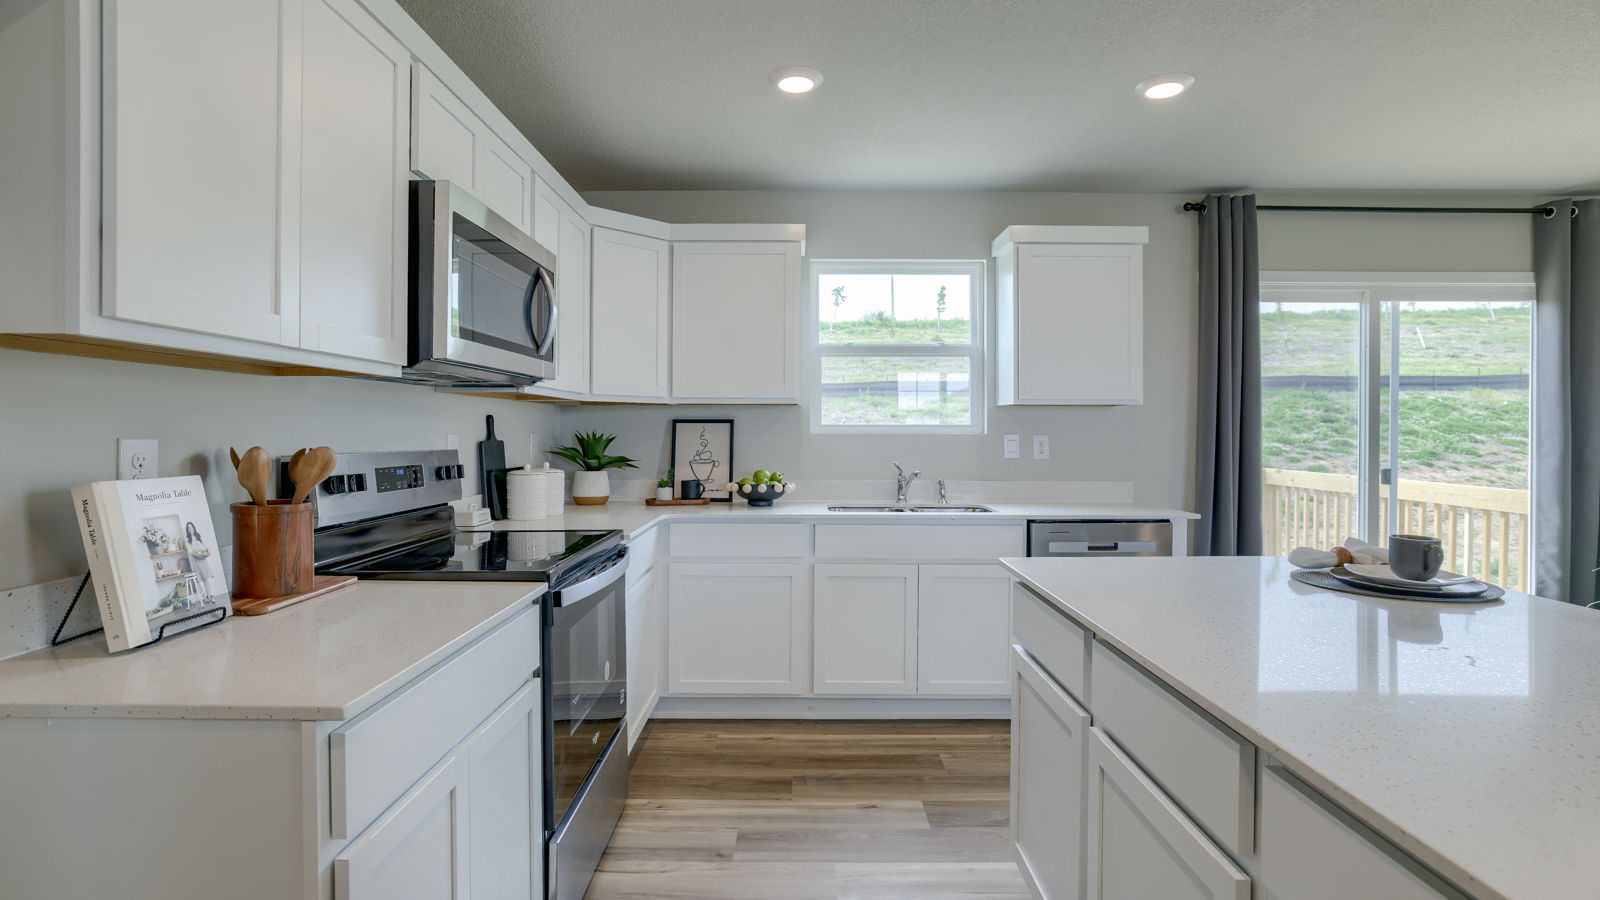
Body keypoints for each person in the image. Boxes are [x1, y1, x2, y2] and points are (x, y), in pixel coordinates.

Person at [184, 522, 224, 604]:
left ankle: (211, 596)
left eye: (191, 527)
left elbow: (205, 546)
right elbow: (191, 552)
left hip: (203, 560)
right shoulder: (187, 541)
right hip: (196, 561)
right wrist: (198, 555)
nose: (190, 529)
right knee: (201, 579)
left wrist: (208, 551)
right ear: (187, 530)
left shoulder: (199, 537)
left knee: (207, 578)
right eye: (188, 528)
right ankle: (206, 597)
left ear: (194, 528)